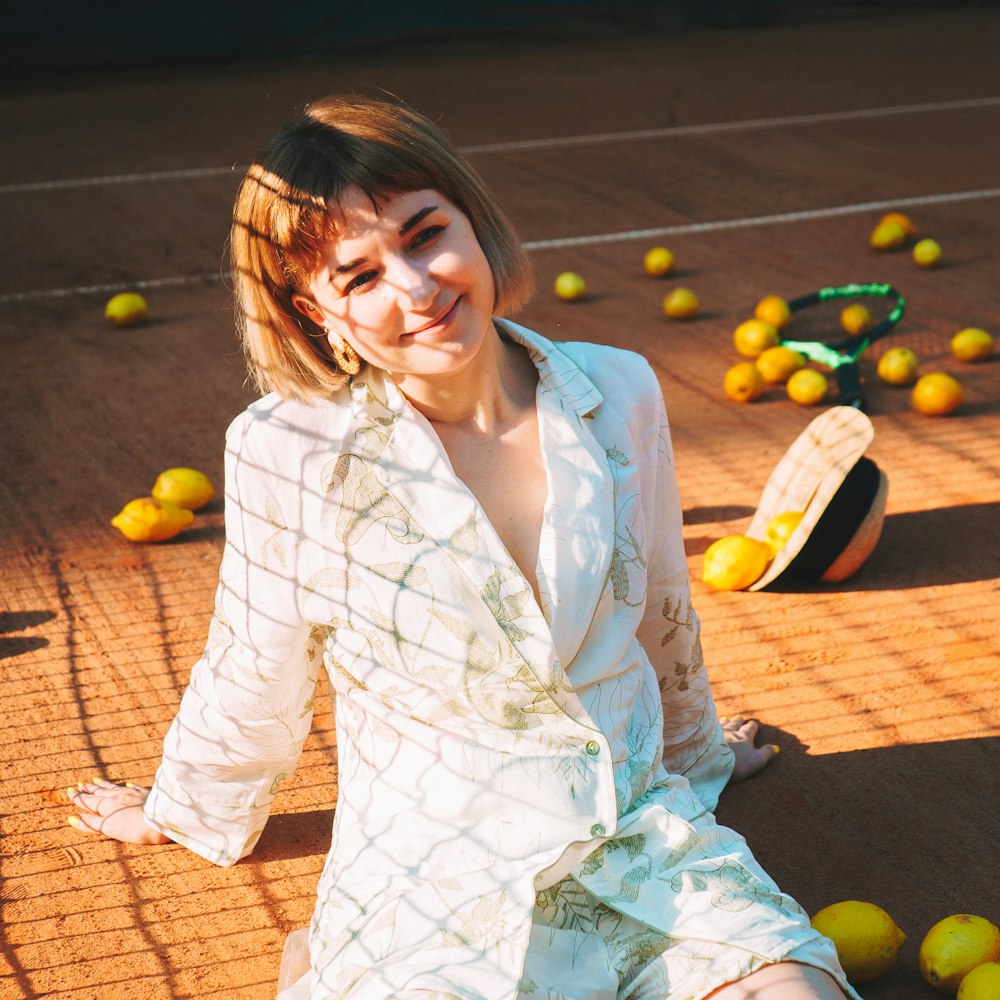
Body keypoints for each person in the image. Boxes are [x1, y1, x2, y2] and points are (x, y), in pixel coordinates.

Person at [68, 95, 858, 1000]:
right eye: (358, 276)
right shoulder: (287, 448)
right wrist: (183, 809)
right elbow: (255, 657)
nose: (415, 287)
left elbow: (664, 603)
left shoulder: (619, 387)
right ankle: (325, 958)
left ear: (474, 224)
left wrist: (697, 750)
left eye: (424, 233)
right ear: (312, 312)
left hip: (636, 832)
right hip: (433, 865)